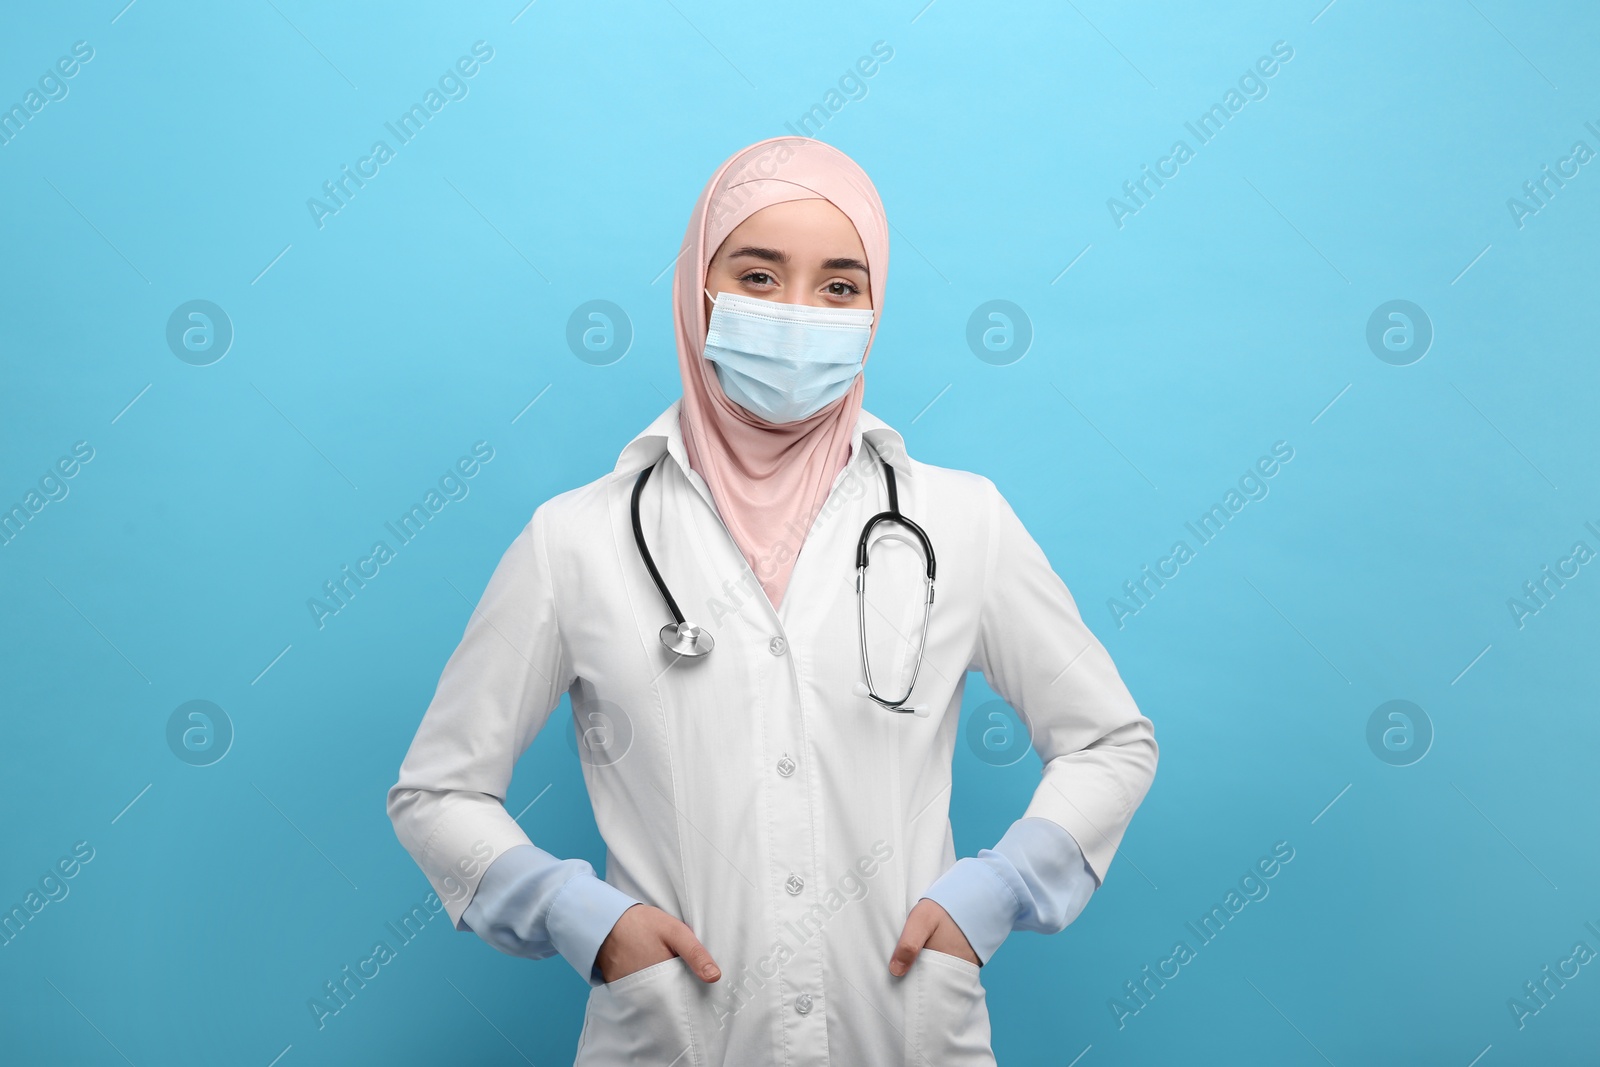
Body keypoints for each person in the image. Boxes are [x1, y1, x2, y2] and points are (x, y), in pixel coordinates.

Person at [387, 136, 1158, 1065]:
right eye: (758, 275)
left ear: (874, 309)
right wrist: (577, 912)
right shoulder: (577, 538)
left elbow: (1110, 741)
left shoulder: (960, 520)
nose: (799, 315)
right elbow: (438, 792)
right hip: (671, 1035)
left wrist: (995, 892)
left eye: (838, 286)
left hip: (907, 1030)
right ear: (696, 291)